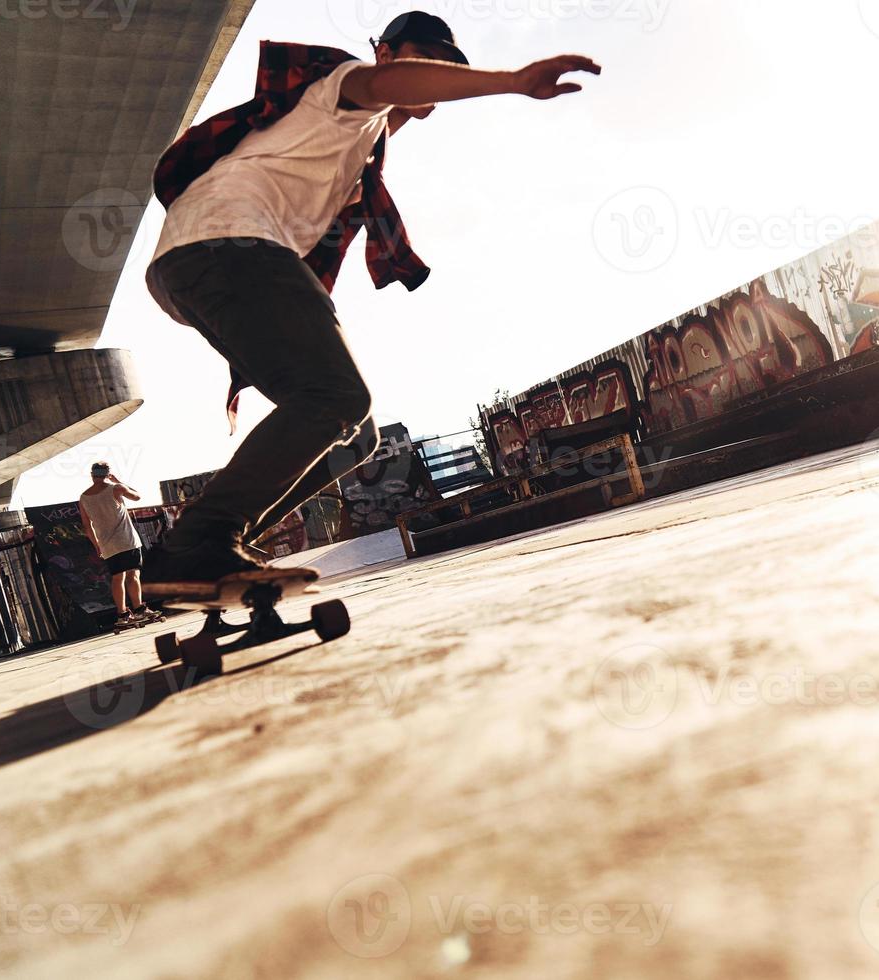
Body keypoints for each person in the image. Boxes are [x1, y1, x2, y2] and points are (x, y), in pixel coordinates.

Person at [142, 12, 600, 590]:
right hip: (225, 244)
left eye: (446, 64)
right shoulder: (346, 83)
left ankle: (215, 547)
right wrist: (512, 80)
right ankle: (199, 540)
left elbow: (402, 99)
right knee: (335, 397)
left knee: (355, 432)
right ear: (386, 52)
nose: (436, 72)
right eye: (425, 58)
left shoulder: (361, 143)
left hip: (200, 264)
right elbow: (390, 85)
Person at [78, 463, 158, 629]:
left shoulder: (84, 498)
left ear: (92, 475)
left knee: (117, 578)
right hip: (126, 540)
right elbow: (137, 497)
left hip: (107, 545)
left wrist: (97, 545)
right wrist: (118, 480)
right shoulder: (116, 488)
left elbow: (87, 526)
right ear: (107, 474)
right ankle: (139, 610)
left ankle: (122, 615)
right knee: (133, 575)